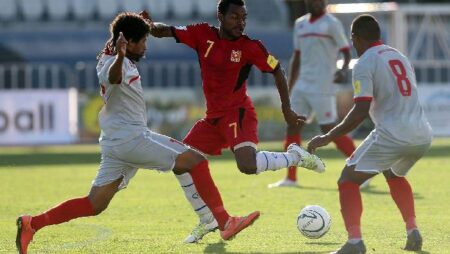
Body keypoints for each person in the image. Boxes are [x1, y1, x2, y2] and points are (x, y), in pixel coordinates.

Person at [15, 12, 261, 254]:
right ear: (128, 43)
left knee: (94, 204)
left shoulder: (110, 51)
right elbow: (114, 77)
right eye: (142, 41)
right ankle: (224, 222)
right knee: (196, 161)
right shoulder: (114, 62)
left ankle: (32, 223)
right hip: (131, 140)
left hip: (118, 142)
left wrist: (138, 24)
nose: (145, 47)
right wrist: (121, 56)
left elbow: (118, 33)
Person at [144, 0, 325, 243]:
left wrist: (287, 109)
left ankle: (295, 156)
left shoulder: (250, 47)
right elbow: (166, 30)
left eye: (244, 17)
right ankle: (207, 219)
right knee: (180, 162)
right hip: (212, 119)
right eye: (234, 17)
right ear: (220, 15)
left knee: (247, 165)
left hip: (237, 112)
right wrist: (147, 25)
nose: (240, 22)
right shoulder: (201, 34)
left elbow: (277, 70)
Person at [307, 14, 433, 253]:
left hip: (393, 135)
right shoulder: (399, 56)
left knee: (347, 179)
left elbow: (359, 112)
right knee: (393, 174)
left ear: (355, 38)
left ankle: (355, 242)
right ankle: (412, 230)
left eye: (352, 39)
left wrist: (327, 137)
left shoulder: (364, 62)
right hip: (422, 134)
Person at [268, 0, 357, 188]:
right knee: (293, 127)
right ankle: (290, 178)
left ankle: (360, 168)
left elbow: (346, 52)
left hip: (323, 85)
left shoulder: (331, 24)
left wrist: (343, 70)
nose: (316, 2)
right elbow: (297, 57)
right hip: (302, 86)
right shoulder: (300, 23)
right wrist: (290, 87)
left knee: (329, 129)